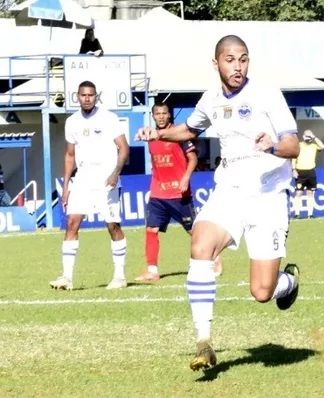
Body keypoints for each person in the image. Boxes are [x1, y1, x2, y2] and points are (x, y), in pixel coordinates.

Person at [135, 34, 300, 372]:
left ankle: (289, 282)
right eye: (230, 59)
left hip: (268, 195)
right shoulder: (210, 99)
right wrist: (159, 133)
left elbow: (293, 146)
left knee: (262, 291)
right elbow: (190, 130)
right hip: (230, 189)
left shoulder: (267, 94)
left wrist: (272, 146)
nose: (237, 66)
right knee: (200, 244)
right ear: (216, 64)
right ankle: (204, 342)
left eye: (243, 59)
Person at [50, 80, 130, 291]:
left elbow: (124, 148)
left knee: (112, 225)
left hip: (106, 179)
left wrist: (115, 173)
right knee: (72, 222)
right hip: (83, 178)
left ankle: (120, 276)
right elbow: (69, 155)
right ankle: (67, 277)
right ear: (77, 96)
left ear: (96, 97)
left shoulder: (108, 118)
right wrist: (66, 186)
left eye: (91, 95)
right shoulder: (72, 122)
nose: (87, 98)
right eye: (83, 95)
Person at [135, 103, 223, 282]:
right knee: (151, 229)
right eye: (157, 114)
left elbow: (193, 158)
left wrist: (185, 178)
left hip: (178, 194)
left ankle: (214, 257)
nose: (161, 116)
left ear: (169, 115)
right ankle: (152, 270)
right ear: (153, 116)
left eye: (164, 113)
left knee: (194, 231)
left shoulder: (178, 135)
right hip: (158, 193)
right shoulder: (151, 137)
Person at [292, 129, 324, 219]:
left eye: (309, 136)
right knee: (298, 193)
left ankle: (310, 214)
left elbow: (322, 146)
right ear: (303, 136)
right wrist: (293, 170)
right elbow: (293, 158)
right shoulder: (299, 146)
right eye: (307, 136)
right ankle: (297, 213)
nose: (308, 138)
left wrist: (313, 137)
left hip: (310, 171)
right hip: (300, 172)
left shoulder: (314, 146)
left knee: (310, 193)